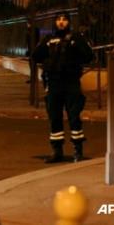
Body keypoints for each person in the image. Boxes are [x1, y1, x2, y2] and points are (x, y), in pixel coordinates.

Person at [32, 12, 93, 163]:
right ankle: (57, 151)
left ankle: (78, 150)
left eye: (64, 19)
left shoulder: (75, 37)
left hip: (71, 82)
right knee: (54, 118)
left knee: (74, 117)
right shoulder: (49, 39)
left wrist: (76, 49)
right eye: (58, 20)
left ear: (69, 22)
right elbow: (35, 55)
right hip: (53, 83)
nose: (61, 22)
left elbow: (89, 56)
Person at [25, 19, 40, 84]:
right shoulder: (35, 30)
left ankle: (33, 79)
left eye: (27, 24)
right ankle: (33, 79)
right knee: (32, 65)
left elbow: (30, 41)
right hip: (32, 49)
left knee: (32, 65)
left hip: (32, 49)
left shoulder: (31, 30)